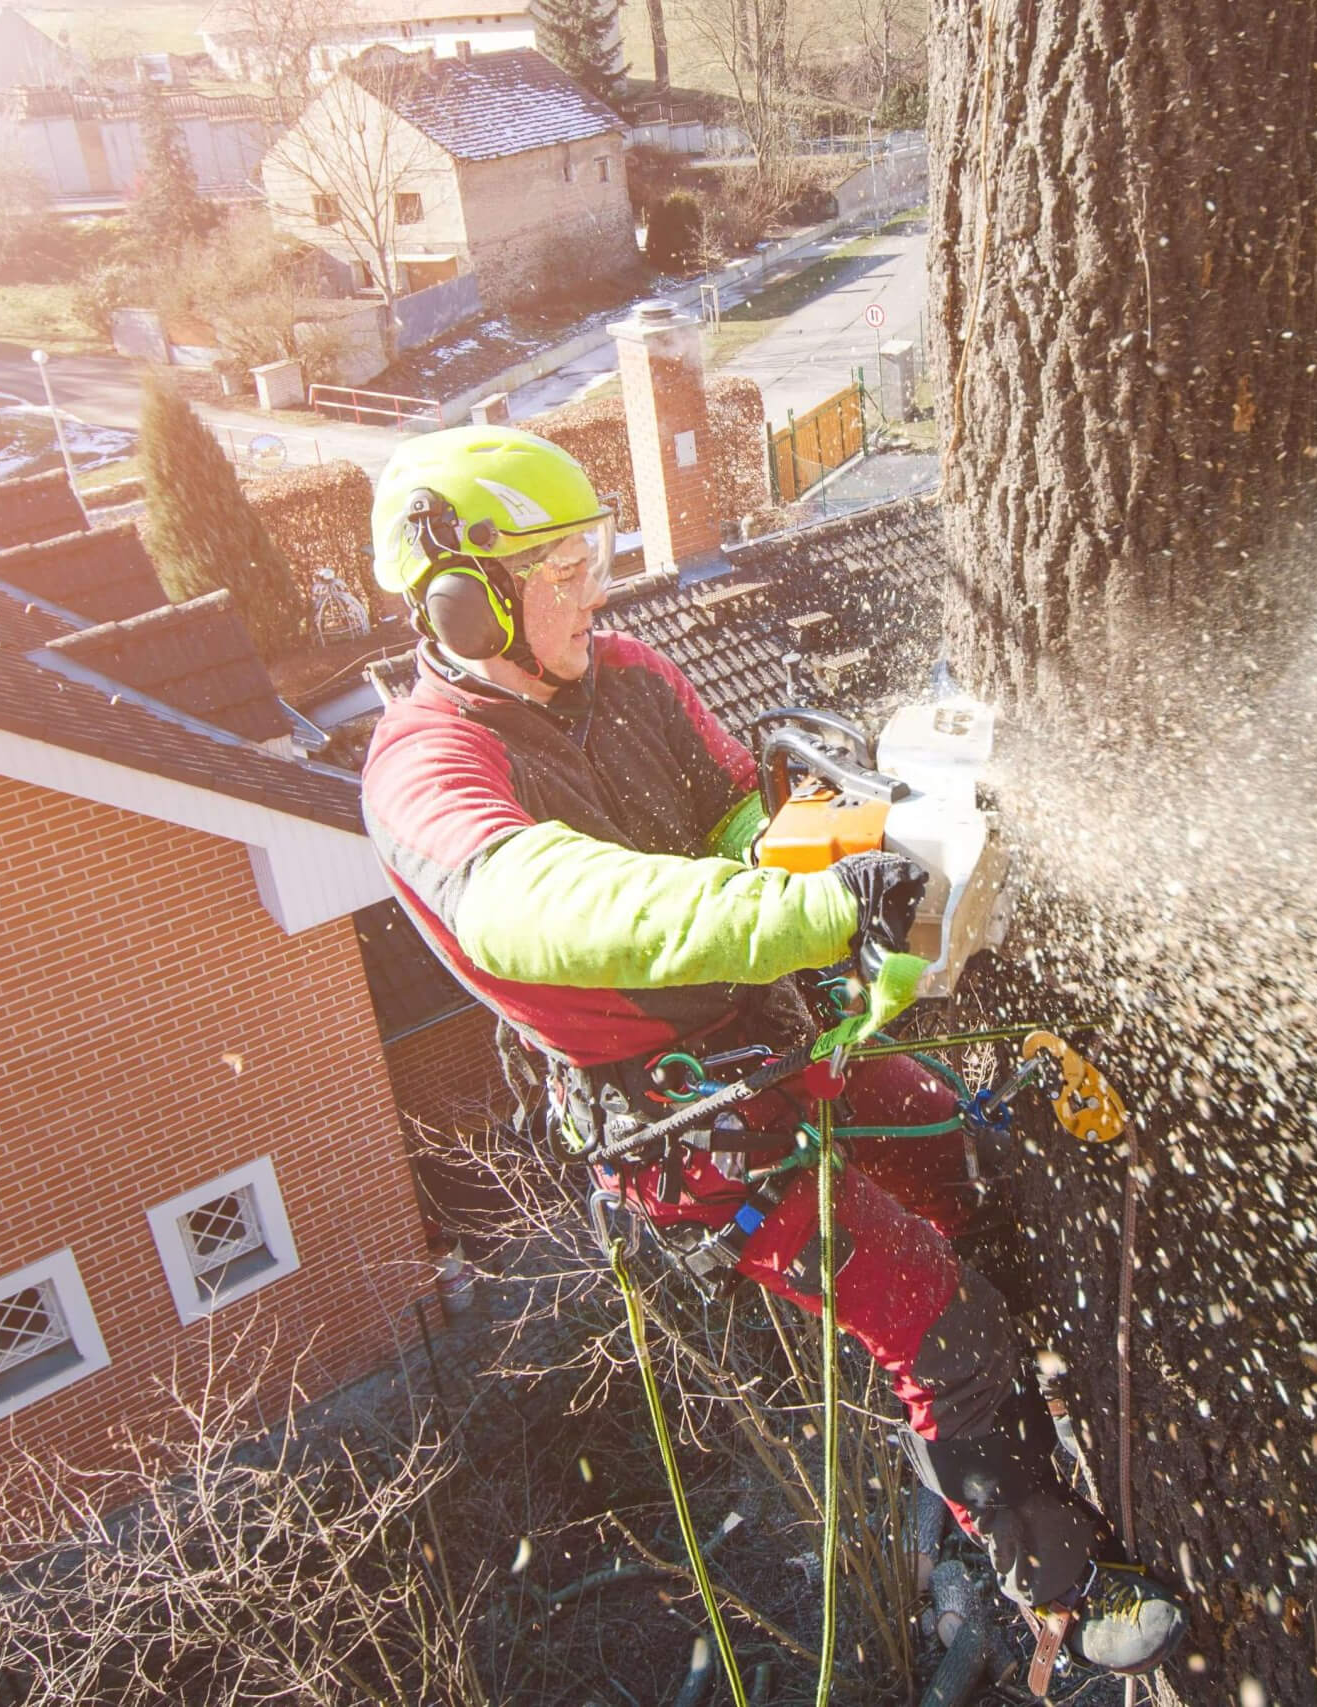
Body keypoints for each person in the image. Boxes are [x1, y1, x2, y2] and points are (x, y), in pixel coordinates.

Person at [359, 425, 1188, 1680]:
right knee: (937, 1317)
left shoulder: (632, 677)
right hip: (694, 1128)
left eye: (594, 559)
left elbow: (743, 813)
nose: (593, 593)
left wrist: (874, 839)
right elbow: (553, 904)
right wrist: (810, 910)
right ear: (466, 605)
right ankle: (1066, 1588)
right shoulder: (427, 770)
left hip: (784, 1038)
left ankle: (1015, 1417)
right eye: (562, 571)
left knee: (970, 1175)